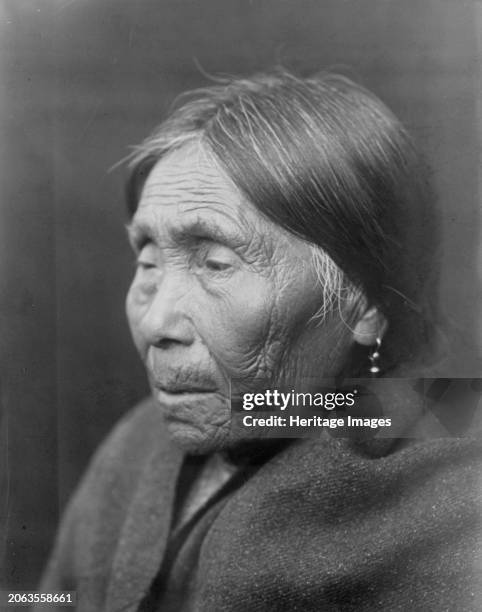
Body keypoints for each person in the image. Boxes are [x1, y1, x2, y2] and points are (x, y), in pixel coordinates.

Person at [38, 70, 482, 611]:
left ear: (363, 304)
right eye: (148, 262)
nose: (155, 323)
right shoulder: (137, 444)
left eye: (216, 264)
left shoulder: (457, 496)